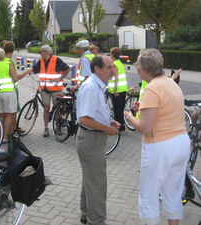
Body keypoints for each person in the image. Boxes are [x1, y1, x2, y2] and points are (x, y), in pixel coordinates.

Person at [124, 49, 190, 225]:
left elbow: (145, 127)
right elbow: (165, 111)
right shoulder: (170, 84)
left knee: (149, 195)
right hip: (181, 142)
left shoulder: (152, 88)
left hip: (161, 146)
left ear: (145, 68)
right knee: (173, 192)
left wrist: (129, 116)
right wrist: (143, 109)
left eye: (138, 64)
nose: (136, 67)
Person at [76, 54, 120, 225]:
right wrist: (107, 129)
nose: (112, 70)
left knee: (91, 178)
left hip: (93, 139)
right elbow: (84, 119)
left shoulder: (97, 85)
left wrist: (109, 121)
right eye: (109, 67)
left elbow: (95, 113)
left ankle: (86, 213)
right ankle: (97, 220)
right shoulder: (91, 87)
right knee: (97, 182)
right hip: (91, 139)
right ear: (97, 69)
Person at [0, 48, 31, 142]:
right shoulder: (7, 64)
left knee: (1, 115)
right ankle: (5, 137)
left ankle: (0, 136)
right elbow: (16, 78)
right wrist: (26, 72)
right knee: (9, 115)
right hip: (8, 92)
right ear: (3, 55)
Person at [31, 45, 71, 137]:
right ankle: (46, 128)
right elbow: (34, 68)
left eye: (41, 51)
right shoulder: (41, 61)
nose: (40, 53)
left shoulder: (56, 60)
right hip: (44, 89)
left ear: (46, 52)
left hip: (56, 89)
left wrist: (60, 78)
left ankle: (58, 126)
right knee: (46, 107)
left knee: (57, 108)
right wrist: (28, 71)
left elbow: (67, 68)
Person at [3, 41, 25, 134]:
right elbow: (15, 78)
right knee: (13, 111)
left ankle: (5, 132)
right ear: (13, 50)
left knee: (3, 113)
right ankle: (13, 130)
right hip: (12, 89)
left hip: (1, 90)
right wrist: (26, 72)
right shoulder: (10, 62)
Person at [108, 47, 128, 134]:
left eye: (110, 53)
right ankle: (122, 126)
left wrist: (115, 90)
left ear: (112, 54)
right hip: (123, 89)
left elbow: (116, 77)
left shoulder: (114, 64)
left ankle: (120, 128)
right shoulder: (119, 63)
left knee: (117, 110)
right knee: (121, 108)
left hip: (117, 90)